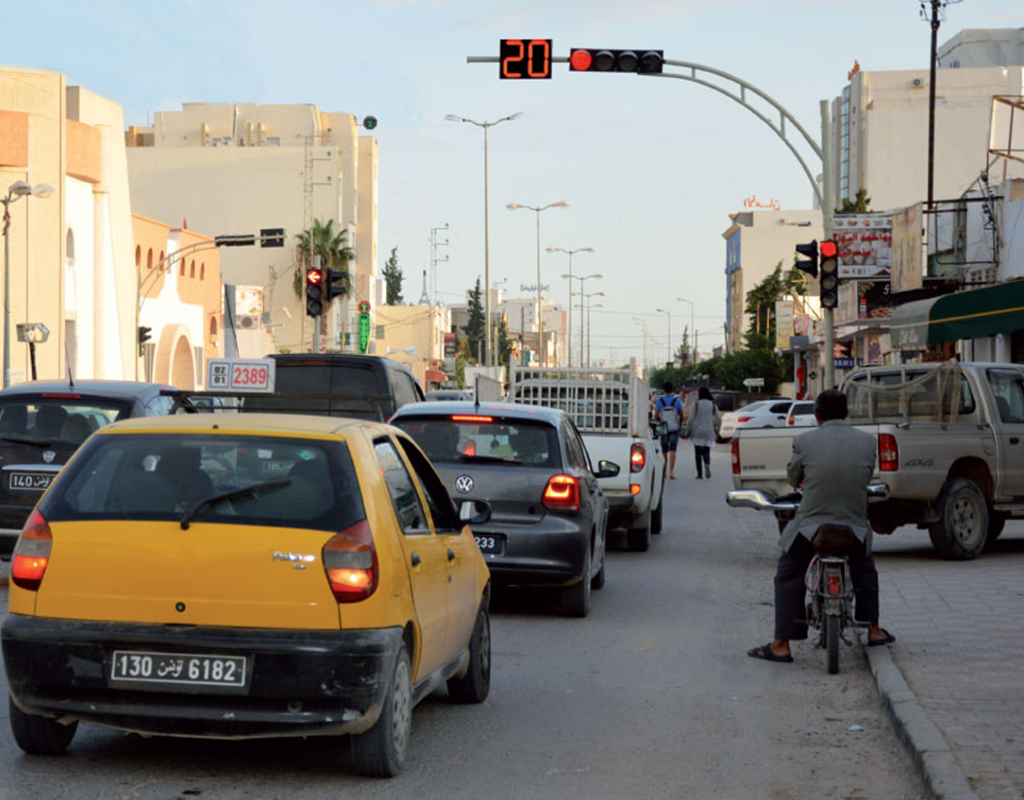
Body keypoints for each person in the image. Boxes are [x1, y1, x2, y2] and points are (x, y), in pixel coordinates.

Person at [748, 389, 895, 663]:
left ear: (817, 416)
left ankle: (781, 643)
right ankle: (874, 630)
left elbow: (793, 477)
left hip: (811, 528)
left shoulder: (804, 441)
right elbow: (864, 475)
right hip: (854, 527)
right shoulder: (866, 442)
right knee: (865, 571)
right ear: (847, 414)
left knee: (789, 573)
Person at [687, 386, 721, 479]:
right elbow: (719, 418)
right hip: (709, 432)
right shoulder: (713, 405)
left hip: (697, 432)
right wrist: (718, 430)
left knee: (697, 452)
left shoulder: (696, 404)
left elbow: (690, 419)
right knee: (706, 451)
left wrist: (688, 430)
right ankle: (707, 464)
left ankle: (699, 474)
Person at [654, 382, 684, 479]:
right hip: (674, 428)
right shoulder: (677, 401)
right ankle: (671, 471)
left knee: (664, 449)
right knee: (673, 449)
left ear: (664, 390)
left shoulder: (660, 401)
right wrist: (680, 423)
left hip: (663, 427)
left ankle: (664, 471)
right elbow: (682, 415)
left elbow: (656, 415)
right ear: (672, 390)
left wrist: (660, 421)